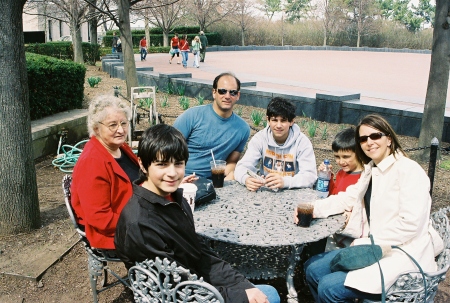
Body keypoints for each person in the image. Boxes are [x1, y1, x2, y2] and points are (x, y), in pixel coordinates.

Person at [114, 124, 281, 303]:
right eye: (162, 164)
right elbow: (176, 289)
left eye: (178, 164)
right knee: (270, 295)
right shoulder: (140, 223)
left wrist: (241, 285)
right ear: (143, 164)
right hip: (179, 294)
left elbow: (199, 252)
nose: (172, 173)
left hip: (194, 279)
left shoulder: (175, 197)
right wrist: (238, 295)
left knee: (260, 292)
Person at [299, 114, 437, 302]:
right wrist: (314, 208)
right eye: (363, 139)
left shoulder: (409, 170)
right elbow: (348, 197)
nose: (369, 142)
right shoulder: (372, 169)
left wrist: (369, 241)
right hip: (374, 247)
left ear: (389, 138)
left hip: (402, 254)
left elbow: (410, 225)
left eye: (375, 136)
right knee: (312, 269)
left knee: (328, 287)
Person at [71, 95, 139, 249]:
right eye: (113, 125)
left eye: (123, 123)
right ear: (96, 128)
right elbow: (100, 218)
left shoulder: (120, 148)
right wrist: (142, 222)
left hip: (136, 215)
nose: (120, 130)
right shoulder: (92, 162)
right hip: (115, 231)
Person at [173, 72, 250, 179]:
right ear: (214, 92)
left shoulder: (243, 128)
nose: (227, 96)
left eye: (232, 92)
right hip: (183, 178)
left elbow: (231, 161)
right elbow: (168, 150)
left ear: (238, 95)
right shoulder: (192, 116)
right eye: (222, 91)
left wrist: (227, 177)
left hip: (214, 182)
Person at [234, 97, 317, 191]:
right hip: (267, 190)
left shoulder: (302, 142)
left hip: (293, 191)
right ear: (268, 120)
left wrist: (285, 182)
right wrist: (246, 179)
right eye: (274, 120)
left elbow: (310, 176)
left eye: (283, 120)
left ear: (292, 121)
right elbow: (242, 166)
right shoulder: (260, 138)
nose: (278, 125)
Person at [308, 127, 364, 255]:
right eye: (337, 157)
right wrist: (326, 177)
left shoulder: (363, 177)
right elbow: (333, 195)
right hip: (332, 221)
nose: (341, 161)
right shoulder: (341, 173)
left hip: (347, 232)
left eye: (346, 157)